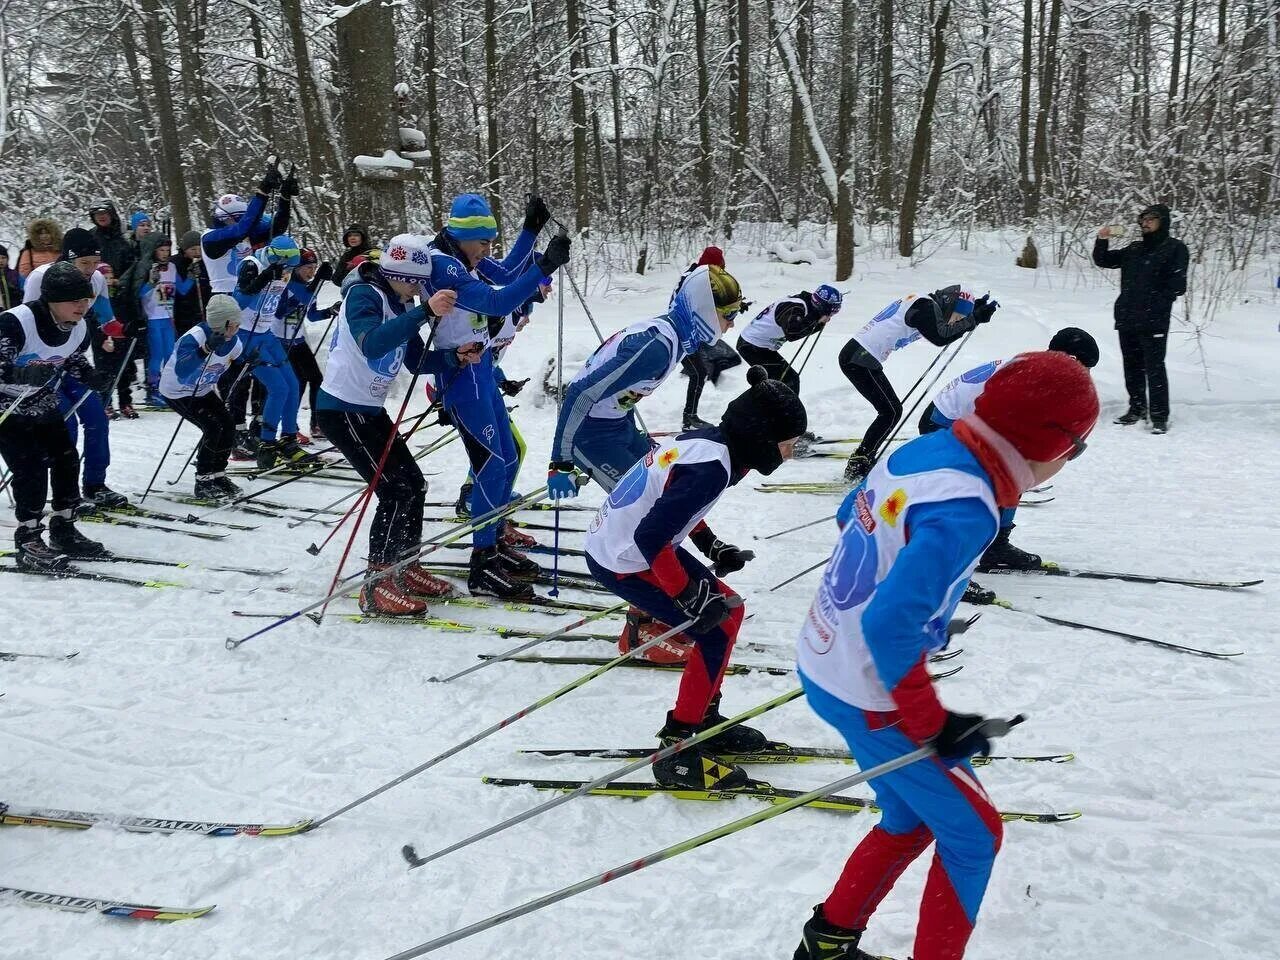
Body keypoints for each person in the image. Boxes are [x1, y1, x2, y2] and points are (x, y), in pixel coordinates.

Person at [791, 350, 1099, 960]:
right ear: (1051, 446)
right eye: (1077, 450)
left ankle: (825, 944)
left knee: (909, 815)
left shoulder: (926, 449)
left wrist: (921, 601)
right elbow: (887, 623)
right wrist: (933, 722)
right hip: (869, 691)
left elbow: (848, 515)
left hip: (824, 659)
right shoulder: (970, 508)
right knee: (975, 834)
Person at [584, 365, 807, 789]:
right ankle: (678, 748)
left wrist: (711, 547)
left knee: (731, 612)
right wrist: (686, 596)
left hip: (630, 545)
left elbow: (672, 506)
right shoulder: (712, 467)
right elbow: (651, 535)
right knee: (715, 630)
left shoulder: (711, 445)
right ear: (761, 440)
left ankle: (702, 715)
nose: (790, 453)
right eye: (787, 444)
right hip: (623, 558)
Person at [426, 192, 567, 599]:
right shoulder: (444, 264)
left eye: (490, 241)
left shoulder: (466, 255)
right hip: (461, 378)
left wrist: (530, 230)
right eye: (483, 242)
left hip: (482, 370)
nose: (487, 250)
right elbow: (495, 298)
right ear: (463, 235)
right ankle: (482, 561)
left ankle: (494, 541)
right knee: (490, 466)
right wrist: (542, 265)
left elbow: (504, 273)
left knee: (508, 458)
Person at [313, 234, 463, 616]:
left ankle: (405, 565)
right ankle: (376, 585)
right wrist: (423, 312)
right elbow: (371, 344)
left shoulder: (402, 301)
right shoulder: (364, 295)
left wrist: (455, 357)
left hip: (370, 408)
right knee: (394, 489)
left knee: (414, 483)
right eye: (412, 282)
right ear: (395, 274)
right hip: (341, 409)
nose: (415, 290)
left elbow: (415, 360)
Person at [548, 262, 742, 498]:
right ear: (705, 310)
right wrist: (560, 463)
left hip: (617, 426)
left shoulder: (677, 339)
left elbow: (623, 392)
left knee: (668, 484)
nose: (731, 324)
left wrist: (631, 428)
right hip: (588, 434)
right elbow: (581, 392)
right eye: (728, 315)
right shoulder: (655, 349)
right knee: (643, 503)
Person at [918, 327, 1099, 573]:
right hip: (943, 419)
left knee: (1013, 472)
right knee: (971, 488)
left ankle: (996, 547)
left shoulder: (1041, 370)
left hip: (959, 415)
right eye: (1085, 367)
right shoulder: (1035, 375)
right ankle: (945, 559)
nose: (1086, 375)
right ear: (1072, 359)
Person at [0, 262, 115, 568]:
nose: (82, 305)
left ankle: (63, 527)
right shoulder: (15, 323)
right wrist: (21, 372)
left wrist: (90, 376)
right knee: (31, 467)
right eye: (74, 299)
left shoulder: (79, 327)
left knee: (65, 458)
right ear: (51, 299)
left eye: (86, 298)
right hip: (4, 405)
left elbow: (71, 358)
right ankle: (28, 538)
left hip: (38, 398)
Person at [839, 284, 997, 484]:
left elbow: (944, 329)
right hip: (859, 357)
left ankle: (863, 458)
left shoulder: (925, 304)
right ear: (949, 302)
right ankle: (859, 463)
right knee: (891, 412)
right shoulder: (925, 306)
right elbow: (941, 336)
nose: (953, 320)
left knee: (891, 411)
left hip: (862, 357)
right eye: (955, 314)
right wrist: (973, 319)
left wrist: (972, 314)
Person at [24, 229, 130, 508]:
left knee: (97, 417)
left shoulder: (96, 279)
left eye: (95, 262)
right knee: (65, 421)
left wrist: (126, 330)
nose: (91, 270)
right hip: (41, 363)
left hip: (73, 358)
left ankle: (95, 484)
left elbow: (106, 318)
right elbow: (27, 324)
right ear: (69, 260)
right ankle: (65, 491)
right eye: (84, 263)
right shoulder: (41, 277)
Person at [1092, 203, 1188, 434]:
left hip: (1154, 319)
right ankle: (1136, 408)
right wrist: (1102, 239)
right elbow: (1104, 260)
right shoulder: (1134, 249)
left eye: (1151, 219)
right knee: (1132, 366)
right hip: (1127, 317)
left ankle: (1159, 416)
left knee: (1155, 368)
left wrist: (1155, 302)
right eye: (1143, 219)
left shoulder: (1175, 249)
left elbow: (1178, 286)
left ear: (1163, 221)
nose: (1145, 223)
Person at [159, 295, 245, 502]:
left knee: (228, 424)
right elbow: (182, 371)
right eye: (233, 324)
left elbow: (232, 365)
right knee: (212, 427)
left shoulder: (234, 342)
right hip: (178, 391)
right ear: (221, 323)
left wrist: (248, 363)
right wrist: (204, 350)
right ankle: (203, 480)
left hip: (203, 390)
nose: (237, 328)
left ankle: (218, 475)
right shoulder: (195, 338)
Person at [234, 234, 307, 467]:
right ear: (277, 259)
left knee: (293, 385)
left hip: (266, 334)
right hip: (246, 335)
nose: (289, 271)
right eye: (287, 266)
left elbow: (296, 299)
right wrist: (264, 278)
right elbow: (238, 304)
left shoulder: (283, 269)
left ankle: (288, 440)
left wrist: (318, 281)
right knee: (278, 388)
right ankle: (266, 444)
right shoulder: (251, 265)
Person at [669, 246, 742, 430]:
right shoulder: (696, 278)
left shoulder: (699, 274)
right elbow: (695, 305)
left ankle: (691, 416)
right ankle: (690, 419)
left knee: (714, 363)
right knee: (699, 372)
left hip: (694, 332)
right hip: (683, 332)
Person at [737, 284, 842, 396]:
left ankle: (776, 408)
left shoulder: (804, 304)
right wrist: (816, 319)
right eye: (831, 312)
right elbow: (792, 333)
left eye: (835, 312)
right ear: (821, 306)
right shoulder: (795, 306)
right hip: (752, 345)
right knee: (788, 381)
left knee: (783, 381)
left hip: (759, 345)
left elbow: (802, 330)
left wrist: (818, 323)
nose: (830, 315)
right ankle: (783, 410)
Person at [273, 247, 331, 442]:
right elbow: (279, 312)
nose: (311, 271)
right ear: (297, 268)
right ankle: (291, 427)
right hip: (281, 342)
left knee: (316, 379)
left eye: (314, 267)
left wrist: (331, 310)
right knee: (295, 383)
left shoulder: (310, 287)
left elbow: (313, 316)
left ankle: (316, 424)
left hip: (298, 341)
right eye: (307, 267)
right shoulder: (286, 285)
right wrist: (310, 289)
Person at [133, 233, 193, 407]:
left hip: (168, 318)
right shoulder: (148, 268)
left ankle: (168, 388)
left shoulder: (172, 268)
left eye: (167, 250)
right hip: (153, 318)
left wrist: (190, 276)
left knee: (169, 354)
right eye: (161, 250)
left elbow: (181, 289)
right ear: (154, 251)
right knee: (157, 355)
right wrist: (151, 282)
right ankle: (152, 390)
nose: (165, 253)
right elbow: (139, 294)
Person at [172, 231, 208, 336]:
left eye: (199, 248)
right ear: (184, 249)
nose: (197, 252)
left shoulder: (205, 262)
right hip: (183, 313)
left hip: (202, 309)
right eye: (193, 249)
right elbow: (181, 290)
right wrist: (191, 276)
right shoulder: (176, 263)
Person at [0, 245, 23, 310]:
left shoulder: (15, 275)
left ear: (7, 259)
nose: (0, 260)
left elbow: (24, 290)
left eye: (3, 258)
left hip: (15, 311)